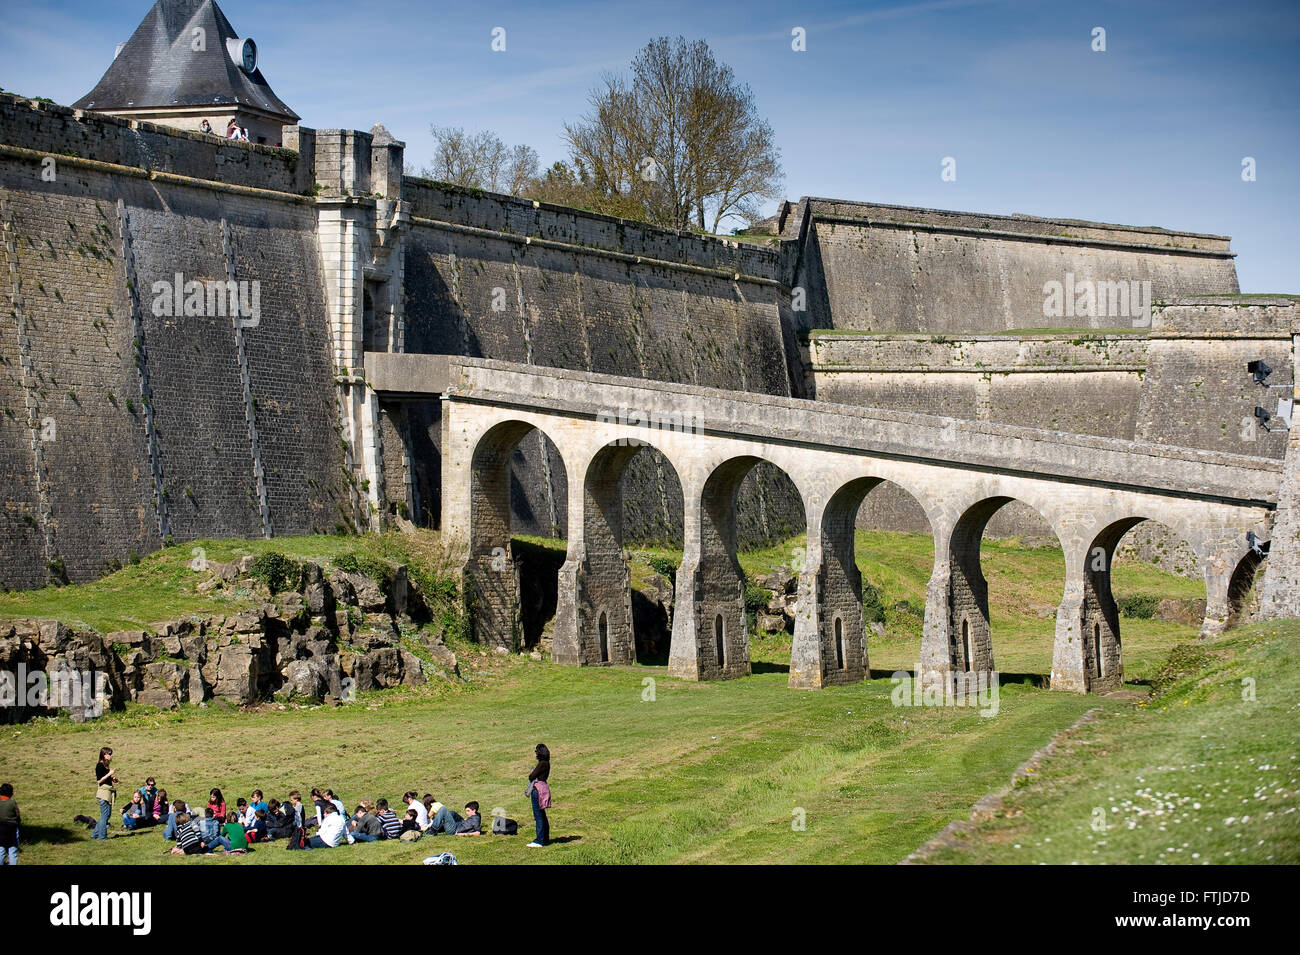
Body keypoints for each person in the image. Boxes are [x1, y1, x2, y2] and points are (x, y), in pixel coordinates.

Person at [526, 743, 551, 848]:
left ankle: (539, 840)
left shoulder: (542, 764)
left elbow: (532, 776)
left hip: (538, 789)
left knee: (538, 816)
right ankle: (545, 838)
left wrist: (532, 773)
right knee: (542, 815)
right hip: (544, 787)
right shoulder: (547, 763)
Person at [93, 747, 116, 840]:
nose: (111, 756)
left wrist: (112, 779)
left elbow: (105, 778)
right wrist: (109, 774)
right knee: (105, 815)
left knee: (107, 814)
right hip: (103, 793)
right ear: (104, 755)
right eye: (109, 754)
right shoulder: (100, 765)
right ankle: (102, 836)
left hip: (108, 792)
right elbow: (99, 780)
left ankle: (95, 833)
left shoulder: (106, 765)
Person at [0, 783, 19, 865]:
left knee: (0, 849)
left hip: (0, 828)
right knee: (12, 849)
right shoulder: (12, 803)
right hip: (11, 828)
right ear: (11, 793)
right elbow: (17, 814)